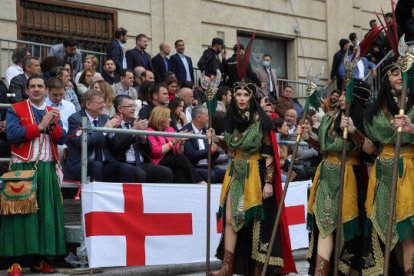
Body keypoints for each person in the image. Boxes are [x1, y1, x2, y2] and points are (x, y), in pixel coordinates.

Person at [210, 79, 296, 275]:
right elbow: (232, 150)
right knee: (231, 219)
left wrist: (268, 182)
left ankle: (259, 267)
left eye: (245, 95)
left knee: (258, 223)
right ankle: (227, 266)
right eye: (238, 95)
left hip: (256, 173)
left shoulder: (261, 121)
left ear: (250, 97)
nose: (241, 98)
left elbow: (268, 154)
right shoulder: (230, 119)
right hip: (235, 172)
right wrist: (216, 140)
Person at [304, 79, 374, 275]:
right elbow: (324, 148)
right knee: (325, 223)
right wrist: (309, 136)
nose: (340, 98)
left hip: (350, 177)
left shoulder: (364, 119)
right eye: (341, 93)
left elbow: (371, 150)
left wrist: (353, 131)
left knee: (344, 226)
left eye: (345, 94)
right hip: (326, 174)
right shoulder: (329, 118)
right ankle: (320, 272)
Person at [1, 75, 67, 275]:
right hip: (24, 166)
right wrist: (39, 127)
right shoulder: (15, 109)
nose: (37, 89)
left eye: (40, 86)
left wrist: (53, 125)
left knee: (45, 216)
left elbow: (62, 137)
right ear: (27, 91)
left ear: (46, 90)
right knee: (20, 215)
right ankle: (15, 262)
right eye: (33, 87)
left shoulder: (51, 111)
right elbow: (11, 134)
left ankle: (40, 259)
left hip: (47, 167)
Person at [363, 58, 414, 275]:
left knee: (408, 232)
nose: (397, 76)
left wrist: (411, 129)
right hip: (383, 174)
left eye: (400, 72)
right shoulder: (376, 111)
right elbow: (369, 149)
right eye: (393, 73)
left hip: (410, 172)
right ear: (386, 79)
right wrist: (354, 133)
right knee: (389, 232)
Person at [108, 95, 174, 183]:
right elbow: (117, 148)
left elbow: (149, 150)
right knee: (139, 173)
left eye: (134, 106)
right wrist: (133, 131)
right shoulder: (112, 124)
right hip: (124, 162)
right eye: (130, 106)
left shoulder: (136, 122)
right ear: (120, 109)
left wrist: (144, 140)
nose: (134, 109)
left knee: (166, 172)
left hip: (141, 163)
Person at [146, 105, 203, 183]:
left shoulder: (170, 129)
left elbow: (179, 152)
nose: (170, 120)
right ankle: (199, 181)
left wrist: (182, 143)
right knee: (179, 158)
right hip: (159, 162)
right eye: (168, 117)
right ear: (160, 118)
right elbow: (156, 152)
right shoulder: (149, 131)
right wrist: (173, 141)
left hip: (173, 161)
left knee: (180, 172)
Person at [182, 105, 226, 183]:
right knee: (210, 174)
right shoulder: (185, 131)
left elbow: (213, 157)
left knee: (229, 174)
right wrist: (210, 150)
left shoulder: (207, 131)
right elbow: (191, 155)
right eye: (207, 116)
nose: (209, 118)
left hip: (208, 167)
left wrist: (215, 144)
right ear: (199, 118)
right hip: (194, 168)